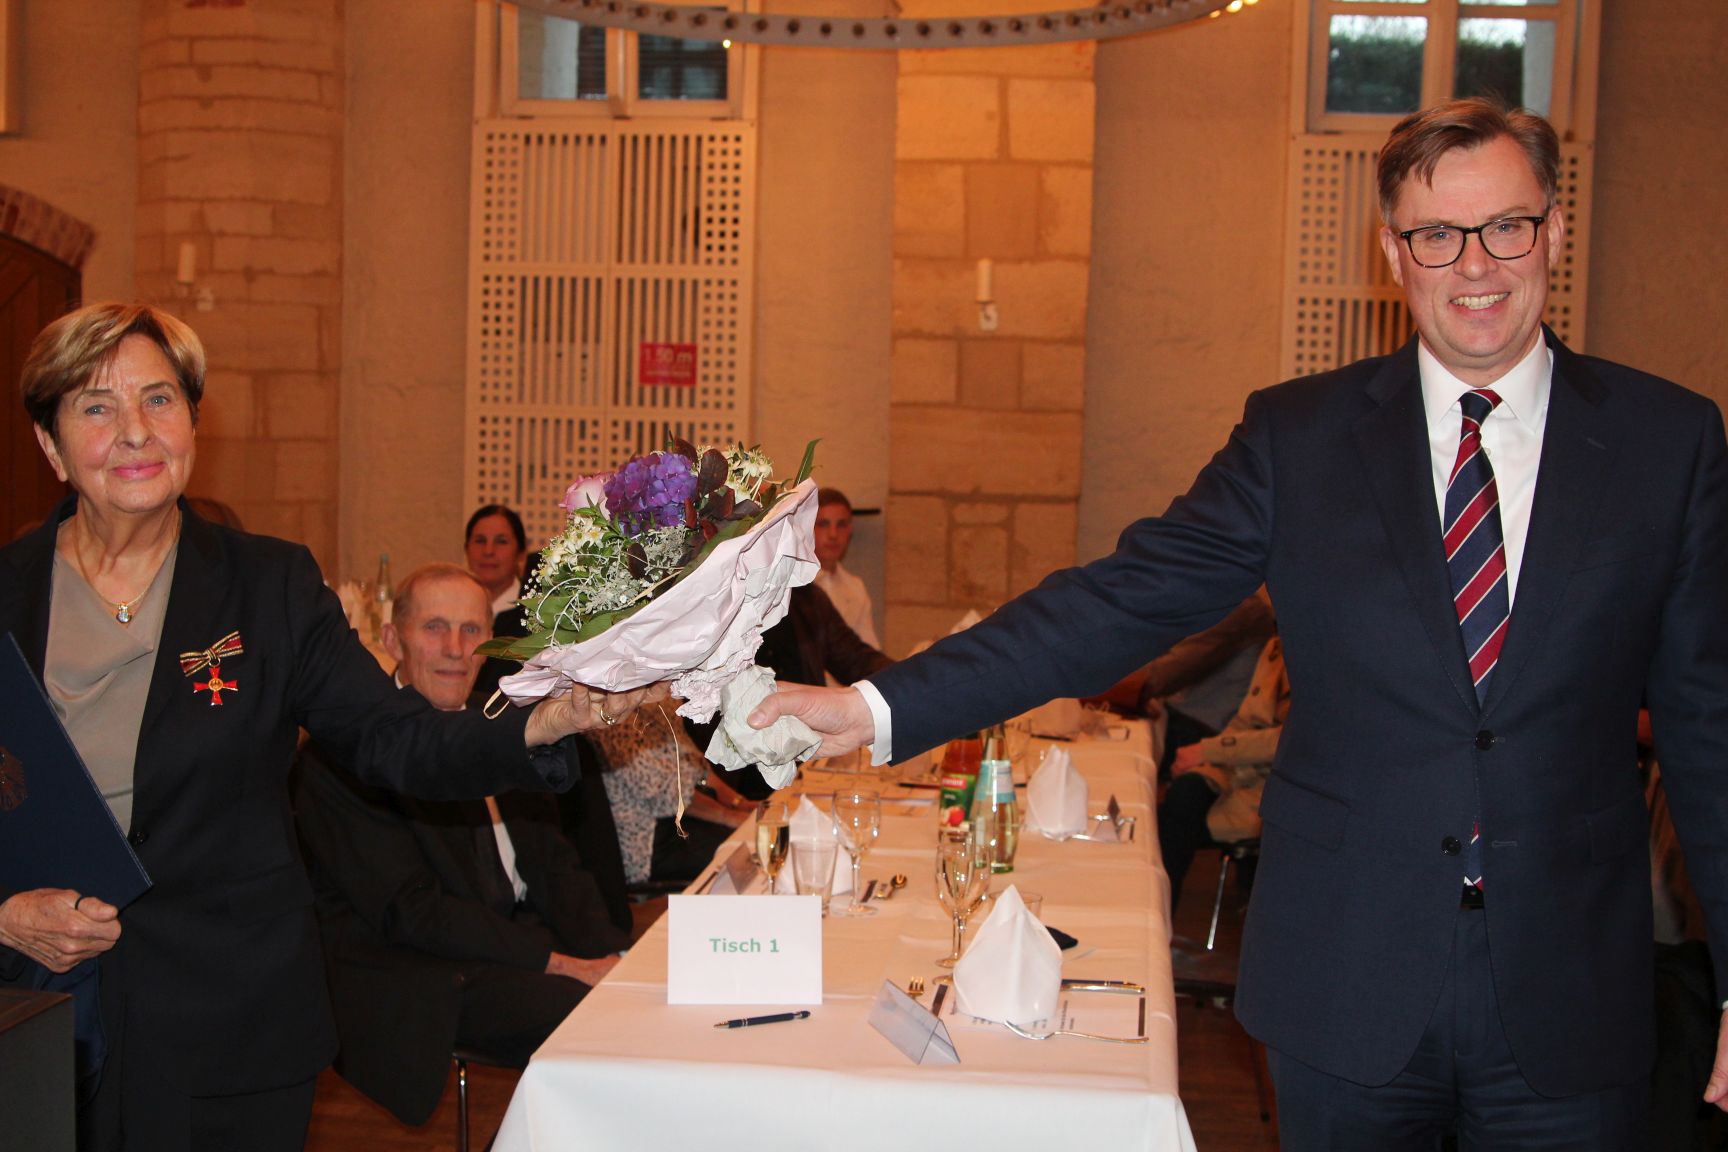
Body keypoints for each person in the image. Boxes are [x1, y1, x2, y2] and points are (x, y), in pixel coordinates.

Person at [749, 98, 1728, 1147]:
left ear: (1554, 232)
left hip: (1572, 989)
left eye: (1506, 226)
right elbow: (1115, 602)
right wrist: (878, 705)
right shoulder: (1300, 440)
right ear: (1392, 252)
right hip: (1346, 985)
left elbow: (1712, 731)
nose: (1476, 264)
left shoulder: (1667, 444)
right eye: (1437, 235)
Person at [0, 303, 657, 1152]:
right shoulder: (10, 594)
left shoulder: (267, 587)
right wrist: (4, 913)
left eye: (159, 400)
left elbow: (396, 736)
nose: (135, 431)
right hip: (38, 1008)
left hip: (228, 1022)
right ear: (51, 447)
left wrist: (539, 724)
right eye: (96, 407)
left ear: (194, 423)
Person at [293, 564, 627, 1126]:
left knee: (635, 1000)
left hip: (509, 938)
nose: (454, 649)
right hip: (418, 969)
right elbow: (414, 912)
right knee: (592, 1022)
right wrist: (562, 964)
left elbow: (553, 864)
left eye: (471, 631)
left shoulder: (497, 730)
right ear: (391, 639)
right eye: (434, 628)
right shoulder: (340, 758)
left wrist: (614, 958)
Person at [1157, 634, 1287, 908]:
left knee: (1174, 818)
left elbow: (1289, 738)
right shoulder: (1276, 645)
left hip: (1277, 783)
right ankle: (1160, 915)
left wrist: (1209, 751)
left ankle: (1160, 917)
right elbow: (1244, 720)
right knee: (1181, 797)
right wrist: (1208, 758)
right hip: (1239, 769)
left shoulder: (1327, 653)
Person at [811, 487, 879, 649]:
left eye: (841, 525)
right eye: (823, 524)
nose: (833, 534)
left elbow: (867, 649)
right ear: (807, 528)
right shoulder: (791, 586)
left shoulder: (856, 588)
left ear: (850, 530)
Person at [464, 503, 530, 618]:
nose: (488, 551)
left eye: (501, 541)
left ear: (521, 553)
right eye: (480, 541)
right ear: (466, 549)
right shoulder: (450, 606)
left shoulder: (534, 614)